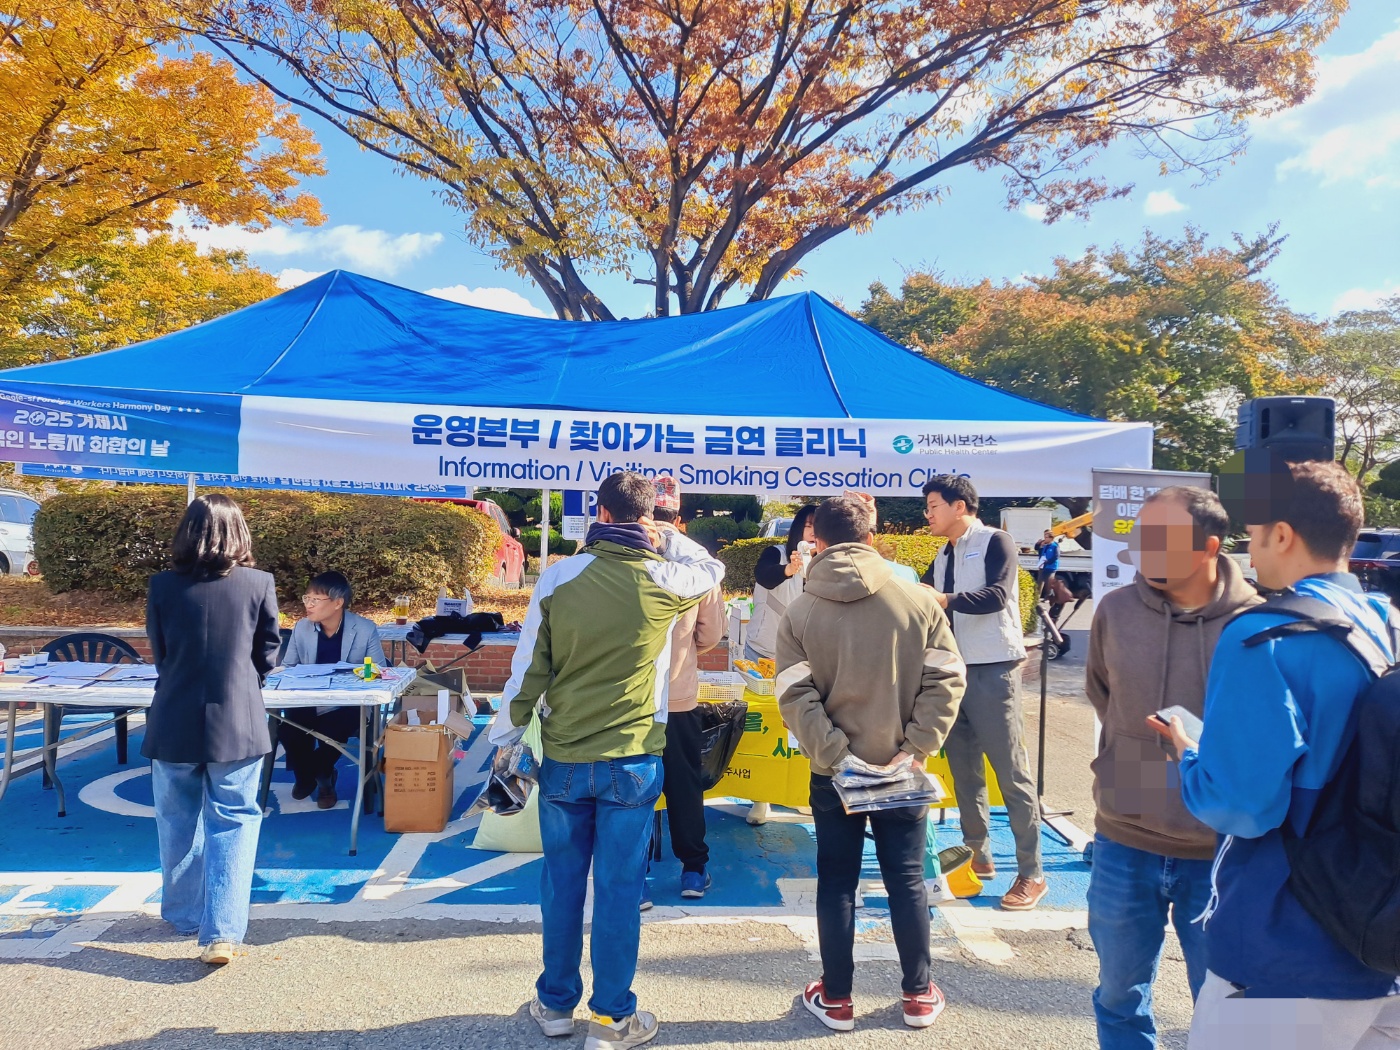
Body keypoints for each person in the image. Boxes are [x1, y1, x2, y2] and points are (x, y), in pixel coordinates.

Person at [489, 471, 725, 1050]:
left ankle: (554, 1004)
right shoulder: (668, 577)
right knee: (620, 889)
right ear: (650, 518)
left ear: (598, 510)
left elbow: (527, 673)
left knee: (561, 883)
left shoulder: (558, 578)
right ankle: (614, 1018)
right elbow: (715, 569)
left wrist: (503, 735)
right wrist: (663, 533)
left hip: (565, 756)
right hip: (634, 758)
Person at [1168, 461, 1400, 1049]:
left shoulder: (1263, 637)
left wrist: (1189, 756)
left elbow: (1243, 805)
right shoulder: (1388, 621)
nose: (1249, 550)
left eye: (1254, 533)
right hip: (1383, 927)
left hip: (1286, 942)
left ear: (1283, 535)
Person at [777, 495, 966, 1032]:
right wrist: (917, 746)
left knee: (837, 881)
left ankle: (836, 998)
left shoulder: (802, 608)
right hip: (901, 766)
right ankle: (918, 995)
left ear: (816, 538)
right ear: (872, 533)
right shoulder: (918, 599)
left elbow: (796, 696)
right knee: (906, 882)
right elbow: (947, 678)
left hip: (834, 772)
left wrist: (837, 756)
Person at [1083, 487, 1261, 1049]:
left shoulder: (1253, 625)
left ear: (1208, 547)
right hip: (1123, 839)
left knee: (1223, 1002)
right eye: (1139, 536)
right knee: (1118, 994)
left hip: (1218, 852)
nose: (1142, 550)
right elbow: (1102, 695)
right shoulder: (1114, 610)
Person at [143, 494, 281, 966]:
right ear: (239, 532)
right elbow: (268, 654)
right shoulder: (258, 583)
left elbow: (161, 656)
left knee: (176, 819)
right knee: (235, 820)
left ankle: (184, 913)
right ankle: (222, 930)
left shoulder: (161, 586)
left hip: (173, 717)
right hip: (238, 722)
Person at [920, 474, 1045, 910]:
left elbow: (995, 595)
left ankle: (1031, 872)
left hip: (994, 669)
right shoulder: (941, 553)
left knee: (1010, 772)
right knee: (964, 772)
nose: (928, 514)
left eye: (934, 505)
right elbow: (921, 597)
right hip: (954, 672)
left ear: (960, 506)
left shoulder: (995, 541)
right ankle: (979, 856)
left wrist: (945, 600)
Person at [650, 476, 725, 902]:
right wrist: (683, 648)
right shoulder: (700, 566)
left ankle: (633, 869)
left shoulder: (621, 555)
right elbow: (711, 632)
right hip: (678, 694)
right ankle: (693, 870)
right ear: (678, 517)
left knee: (630, 783)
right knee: (684, 783)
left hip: (628, 699)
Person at [276, 571, 390, 809]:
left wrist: (363, 675)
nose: (308, 605)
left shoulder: (365, 629)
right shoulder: (302, 628)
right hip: (308, 699)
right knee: (288, 730)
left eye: (315, 600)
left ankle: (321, 773)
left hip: (347, 703)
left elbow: (379, 671)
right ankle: (311, 776)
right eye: (306, 598)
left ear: (338, 603)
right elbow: (288, 667)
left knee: (335, 728)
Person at [743, 502, 817, 825]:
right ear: (798, 526)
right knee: (764, 727)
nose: (813, 532)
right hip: (763, 654)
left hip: (804, 659)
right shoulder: (775, 553)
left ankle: (801, 794)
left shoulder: (823, 562)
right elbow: (765, 576)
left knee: (804, 729)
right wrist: (789, 569)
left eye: (819, 526)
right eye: (809, 524)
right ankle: (761, 797)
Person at [1035, 530, 1061, 598]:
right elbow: (1038, 550)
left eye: (1046, 537)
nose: (1045, 538)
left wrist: (1048, 561)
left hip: (1051, 567)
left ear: (1051, 538)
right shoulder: (1045, 545)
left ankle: (1049, 597)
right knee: (1040, 582)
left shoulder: (1055, 545)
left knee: (1049, 583)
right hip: (1043, 566)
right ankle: (1037, 598)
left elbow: (1056, 556)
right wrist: (1038, 544)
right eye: (1045, 537)